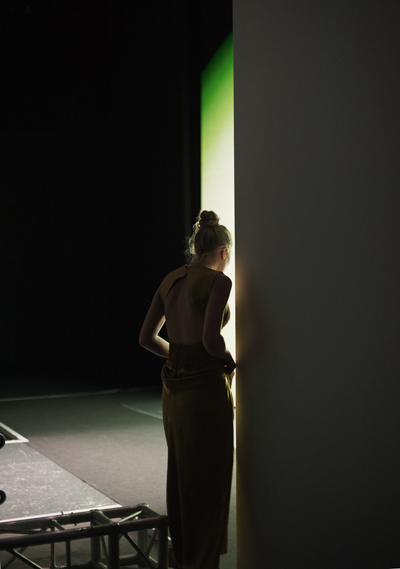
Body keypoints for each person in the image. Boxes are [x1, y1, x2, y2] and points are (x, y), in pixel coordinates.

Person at [139, 210, 236, 569]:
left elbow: (146, 338)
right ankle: (202, 560)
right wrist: (228, 359)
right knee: (210, 477)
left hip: (174, 389)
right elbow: (211, 340)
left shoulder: (171, 279)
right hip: (205, 390)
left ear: (197, 247)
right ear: (224, 251)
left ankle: (183, 556)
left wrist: (179, 356)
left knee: (181, 473)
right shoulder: (218, 282)